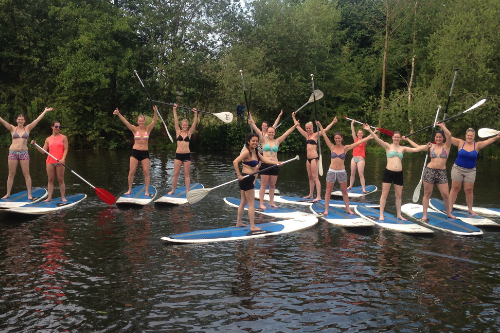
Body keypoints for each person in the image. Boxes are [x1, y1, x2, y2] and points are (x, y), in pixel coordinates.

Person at [365, 127, 431, 220]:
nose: (396, 139)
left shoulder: (403, 148)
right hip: (388, 173)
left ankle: (399, 214)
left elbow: (416, 149)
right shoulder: (388, 146)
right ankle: (381, 214)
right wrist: (369, 130)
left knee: (399, 195)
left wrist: (426, 146)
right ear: (392, 137)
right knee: (384, 194)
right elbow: (377, 139)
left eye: (398, 137)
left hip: (399, 174)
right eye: (395, 137)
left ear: (400, 138)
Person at [317, 122, 373, 215]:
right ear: (334, 139)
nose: (337, 139)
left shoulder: (345, 148)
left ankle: (348, 209)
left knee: (344, 192)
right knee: (328, 191)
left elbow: (359, 142)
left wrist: (369, 136)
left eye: (339, 138)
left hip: (342, 172)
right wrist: (320, 125)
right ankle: (326, 209)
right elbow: (324, 135)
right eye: (336, 138)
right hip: (331, 171)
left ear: (341, 138)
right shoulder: (332, 147)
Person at [0, 107, 52, 199]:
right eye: (19, 119)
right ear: (17, 120)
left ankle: (29, 194)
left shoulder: (28, 128)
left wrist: (45, 111)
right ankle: (8, 193)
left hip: (24, 153)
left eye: (22, 119)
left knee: (26, 174)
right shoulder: (12, 128)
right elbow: (2, 121)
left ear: (24, 121)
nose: (20, 121)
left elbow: (37, 120)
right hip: (13, 153)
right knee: (11, 174)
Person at [249, 115, 299, 209]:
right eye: (269, 132)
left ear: (274, 133)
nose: (271, 133)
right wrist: (251, 122)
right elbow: (256, 130)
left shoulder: (277, 141)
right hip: (265, 165)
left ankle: (272, 202)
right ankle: (261, 203)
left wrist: (295, 126)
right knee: (264, 185)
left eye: (272, 132)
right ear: (267, 133)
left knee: (272, 185)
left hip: (275, 165)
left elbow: (286, 133)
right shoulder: (263, 140)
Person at [233, 133, 281, 231]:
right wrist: (239, 175)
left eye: (256, 141)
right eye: (253, 141)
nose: (255, 143)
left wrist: (276, 163)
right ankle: (253, 226)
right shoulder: (246, 152)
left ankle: (238, 223)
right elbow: (235, 162)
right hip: (246, 178)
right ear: (248, 142)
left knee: (243, 202)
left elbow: (265, 160)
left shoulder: (255, 151)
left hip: (248, 179)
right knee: (251, 204)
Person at [449, 127, 500, 215]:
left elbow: (487, 141)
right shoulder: (460, 142)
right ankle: (449, 207)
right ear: (466, 136)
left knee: (469, 190)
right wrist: (443, 128)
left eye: (471, 136)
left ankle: (470, 209)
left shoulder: (477, 145)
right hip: (457, 169)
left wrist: (497, 137)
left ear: (474, 136)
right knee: (455, 189)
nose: (469, 137)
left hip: (470, 171)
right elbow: (448, 137)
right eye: (468, 135)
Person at [114, 106, 159, 196]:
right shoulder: (135, 129)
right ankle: (129, 190)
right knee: (132, 171)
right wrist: (119, 114)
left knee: (146, 172)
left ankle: (146, 191)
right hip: (135, 152)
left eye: (142, 121)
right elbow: (126, 122)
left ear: (144, 122)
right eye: (139, 121)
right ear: (138, 122)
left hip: (144, 153)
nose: (141, 122)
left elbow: (154, 121)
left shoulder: (148, 129)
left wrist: (155, 112)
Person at [292, 113, 337, 202]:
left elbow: (325, 130)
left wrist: (333, 122)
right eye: (307, 128)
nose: (308, 129)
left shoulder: (315, 135)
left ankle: (319, 196)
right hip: (308, 159)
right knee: (310, 177)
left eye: (309, 128)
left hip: (314, 158)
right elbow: (297, 127)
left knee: (315, 177)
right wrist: (293, 117)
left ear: (312, 128)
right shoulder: (306, 135)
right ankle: (311, 194)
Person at [420, 122, 454, 220]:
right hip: (430, 171)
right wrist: (408, 139)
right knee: (427, 194)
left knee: (446, 195)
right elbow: (418, 146)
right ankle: (424, 215)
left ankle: (448, 213)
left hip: (441, 173)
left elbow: (449, 135)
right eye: (436, 137)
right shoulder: (431, 146)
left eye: (440, 137)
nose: (438, 139)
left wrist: (442, 126)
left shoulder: (447, 146)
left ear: (443, 138)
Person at [31, 120, 68, 202]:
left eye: (59, 127)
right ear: (52, 127)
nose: (58, 128)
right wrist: (35, 145)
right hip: (50, 162)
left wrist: (63, 159)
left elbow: (65, 149)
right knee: (50, 180)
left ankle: (63, 197)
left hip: (60, 162)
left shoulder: (63, 137)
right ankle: (49, 197)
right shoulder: (48, 139)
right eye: (56, 126)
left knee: (60, 180)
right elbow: (43, 151)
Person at [167, 104, 198, 195]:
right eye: (183, 125)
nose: (185, 126)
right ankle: (173, 190)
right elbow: (175, 120)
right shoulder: (178, 131)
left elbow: (194, 124)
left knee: (186, 174)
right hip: (178, 155)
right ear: (181, 125)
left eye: (186, 125)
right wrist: (174, 110)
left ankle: (188, 191)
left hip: (187, 155)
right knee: (176, 173)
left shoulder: (189, 133)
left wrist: (195, 114)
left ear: (187, 126)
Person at [348, 119, 370, 193]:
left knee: (361, 174)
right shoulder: (355, 139)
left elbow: (371, 136)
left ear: (362, 134)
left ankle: (363, 188)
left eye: (361, 133)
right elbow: (353, 131)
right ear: (357, 134)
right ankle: (350, 185)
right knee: (352, 173)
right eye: (359, 133)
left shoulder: (364, 140)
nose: (360, 134)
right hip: (354, 158)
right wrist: (352, 124)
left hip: (361, 159)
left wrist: (374, 131)